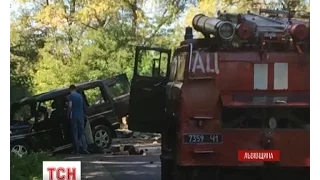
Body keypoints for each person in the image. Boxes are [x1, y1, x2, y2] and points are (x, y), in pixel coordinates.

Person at [67, 84, 90, 155]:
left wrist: (67, 114)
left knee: (75, 133)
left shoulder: (70, 96)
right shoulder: (80, 96)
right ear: (75, 89)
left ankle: (77, 150)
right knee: (82, 132)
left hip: (74, 116)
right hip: (81, 115)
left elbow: (70, 106)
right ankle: (85, 148)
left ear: (70, 89)